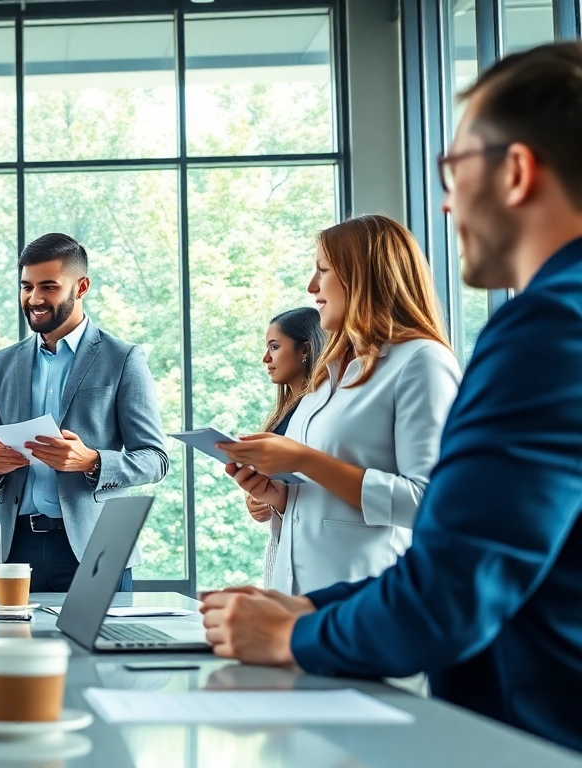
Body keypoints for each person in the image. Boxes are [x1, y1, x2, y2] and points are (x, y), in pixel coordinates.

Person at [201, 42, 582, 752]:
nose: (443, 200)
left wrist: (296, 631)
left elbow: (452, 587)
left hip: (538, 731)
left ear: (518, 172)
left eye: (452, 170)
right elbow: (485, 551)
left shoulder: (547, 327)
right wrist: (305, 605)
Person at [215, 215, 461, 596]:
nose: (312, 287)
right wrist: (277, 497)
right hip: (296, 601)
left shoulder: (421, 361)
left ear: (362, 277)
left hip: (369, 599)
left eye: (323, 271)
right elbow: (323, 499)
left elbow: (432, 502)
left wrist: (303, 460)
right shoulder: (328, 372)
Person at [0, 233, 168, 592]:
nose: (34, 299)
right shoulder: (2, 363)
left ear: (82, 286)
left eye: (48, 287)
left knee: (97, 650)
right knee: (17, 648)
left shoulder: (123, 359)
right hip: (13, 551)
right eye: (26, 287)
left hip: (97, 548)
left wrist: (92, 461)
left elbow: (155, 459)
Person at [248, 307, 325, 584]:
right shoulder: (280, 415)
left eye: (275, 347)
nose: (266, 358)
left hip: (313, 553)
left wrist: (279, 500)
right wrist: (260, 501)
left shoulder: (322, 413)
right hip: (280, 548)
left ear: (304, 350)